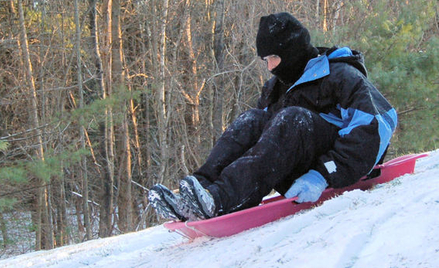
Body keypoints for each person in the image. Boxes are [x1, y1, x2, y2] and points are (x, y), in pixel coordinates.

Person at [148, 12, 397, 221]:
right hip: (294, 167)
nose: (270, 67)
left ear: (293, 52)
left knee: (293, 118)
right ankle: (200, 192)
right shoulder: (276, 88)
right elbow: (260, 145)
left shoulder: (341, 75)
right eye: (266, 60)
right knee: (252, 120)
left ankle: (220, 199)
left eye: (274, 58)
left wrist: (324, 174)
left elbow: (379, 123)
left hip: (337, 169)